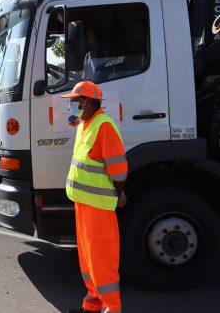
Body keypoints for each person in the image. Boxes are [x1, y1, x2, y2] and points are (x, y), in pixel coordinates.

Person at [63, 81, 127, 313]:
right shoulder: (85, 123)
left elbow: (118, 169)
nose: (72, 104)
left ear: (89, 102)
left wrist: (120, 193)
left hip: (99, 206)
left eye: (76, 100)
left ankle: (111, 308)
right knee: (88, 261)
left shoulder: (104, 126)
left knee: (102, 262)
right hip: (84, 204)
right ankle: (92, 305)